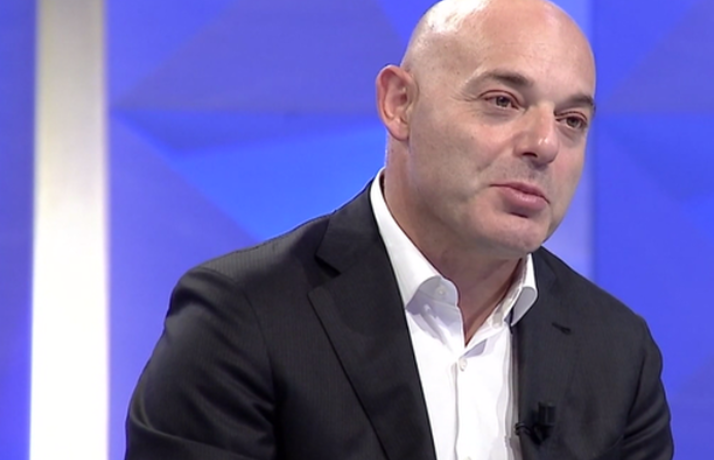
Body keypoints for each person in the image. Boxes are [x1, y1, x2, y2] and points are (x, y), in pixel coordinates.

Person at [125, 0, 673, 458]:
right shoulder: (243, 318)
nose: (545, 144)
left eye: (572, 120)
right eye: (502, 101)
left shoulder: (618, 354)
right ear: (400, 104)